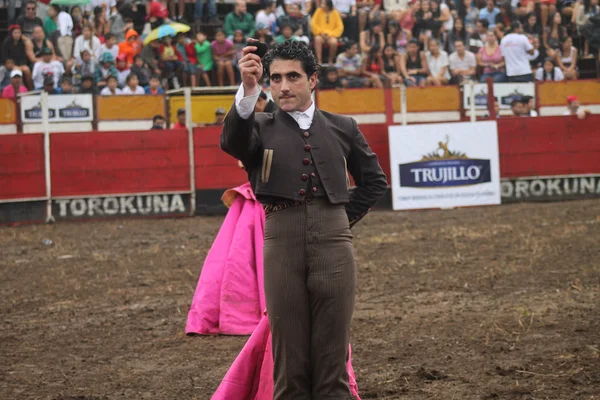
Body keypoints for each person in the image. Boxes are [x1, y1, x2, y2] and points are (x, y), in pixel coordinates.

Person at [220, 40, 387, 398]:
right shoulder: (259, 126)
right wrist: (249, 88)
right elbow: (232, 141)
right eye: (275, 78)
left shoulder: (343, 126)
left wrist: (340, 220)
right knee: (289, 357)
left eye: (293, 77)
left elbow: (375, 182)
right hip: (281, 240)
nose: (282, 86)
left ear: (313, 80)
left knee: (332, 357)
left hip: (334, 244)